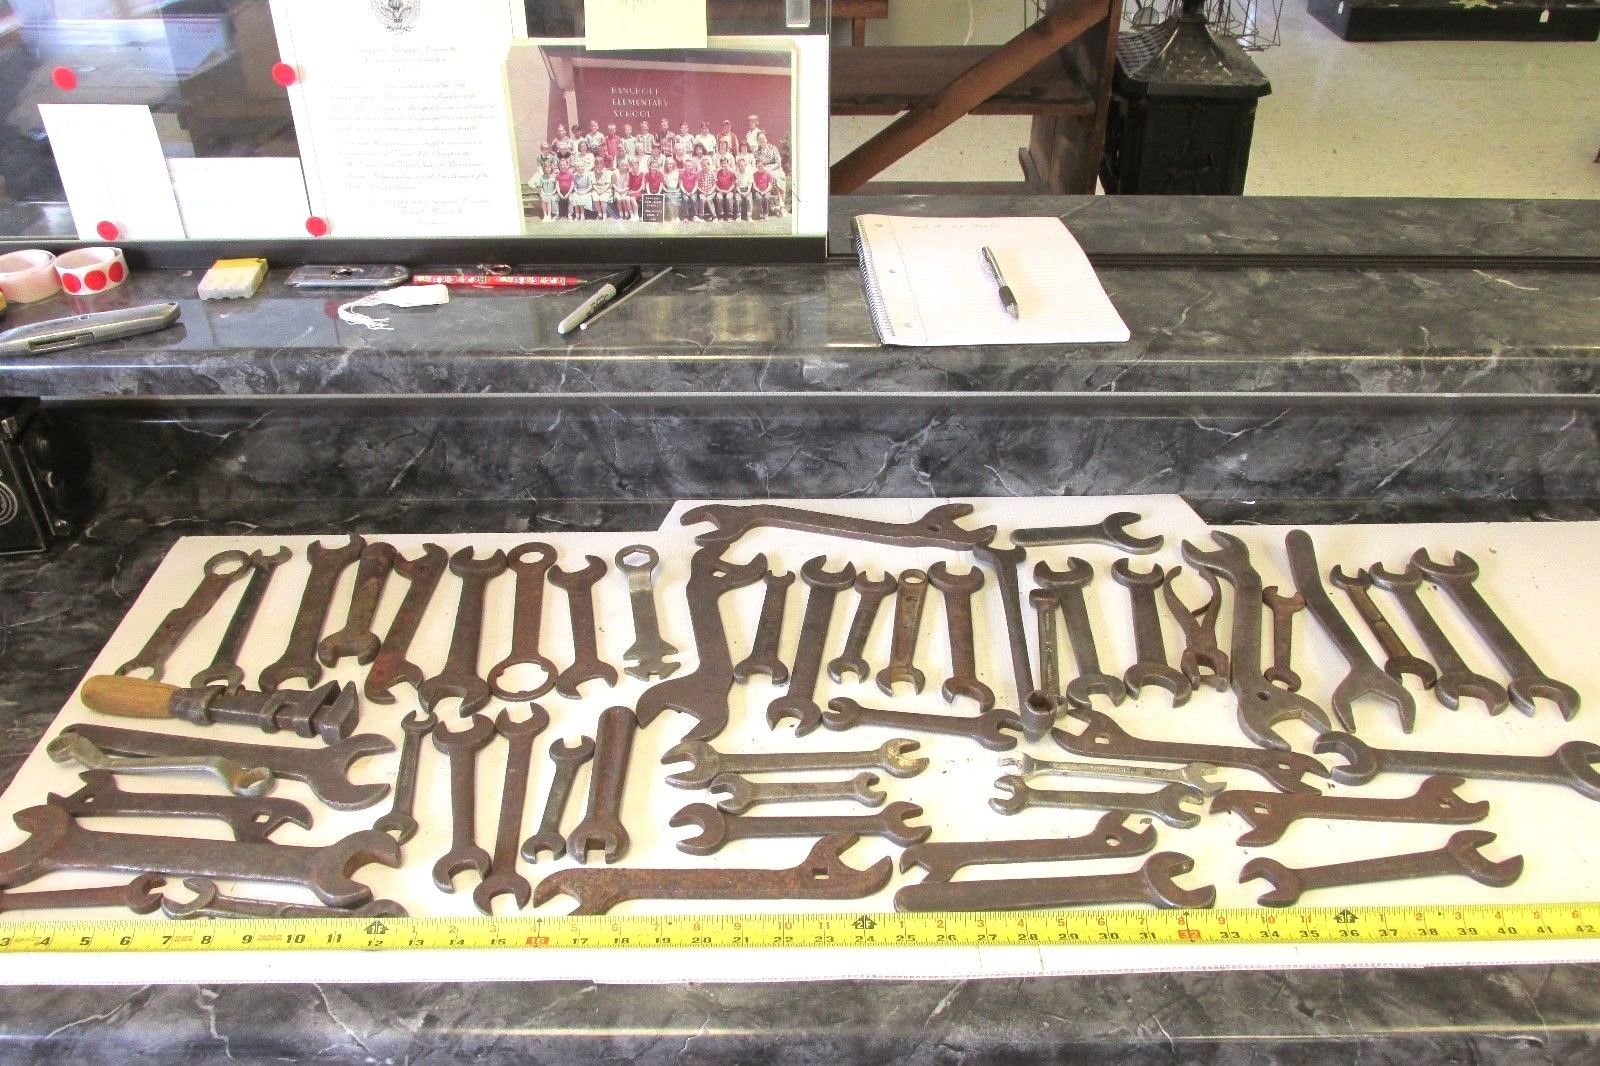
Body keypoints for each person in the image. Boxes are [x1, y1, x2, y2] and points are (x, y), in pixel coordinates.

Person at [754, 131, 785, 215]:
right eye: (759, 139)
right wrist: (763, 169)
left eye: (763, 138)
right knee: (764, 176)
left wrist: (770, 169)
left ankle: (780, 204)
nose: (761, 140)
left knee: (777, 177)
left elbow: (778, 162)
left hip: (775, 168)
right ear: (758, 141)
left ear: (766, 139)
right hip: (762, 169)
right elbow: (756, 163)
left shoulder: (773, 148)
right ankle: (776, 204)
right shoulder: (756, 151)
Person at [733, 151, 756, 222]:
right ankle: (738, 216)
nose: (740, 167)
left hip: (747, 190)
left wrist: (747, 192)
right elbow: (736, 185)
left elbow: (750, 184)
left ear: (745, 165)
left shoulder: (749, 173)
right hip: (739, 190)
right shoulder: (736, 174)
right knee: (738, 199)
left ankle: (749, 216)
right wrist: (740, 192)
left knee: (749, 199)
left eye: (742, 166)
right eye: (739, 166)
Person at [714, 153, 736, 220]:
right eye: (722, 163)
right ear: (720, 164)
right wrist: (719, 190)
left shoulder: (731, 173)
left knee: (729, 197)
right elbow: (715, 184)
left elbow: (733, 184)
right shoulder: (717, 173)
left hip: (729, 190)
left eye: (725, 163)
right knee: (719, 197)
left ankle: (730, 215)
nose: (724, 165)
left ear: (727, 164)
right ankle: (721, 215)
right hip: (720, 190)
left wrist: (728, 190)